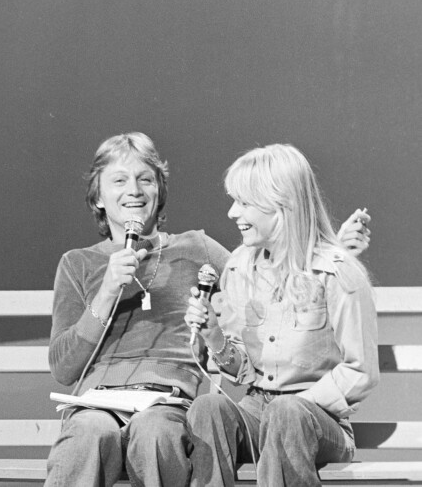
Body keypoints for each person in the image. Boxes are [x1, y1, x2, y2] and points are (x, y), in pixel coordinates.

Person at [45, 133, 372, 487]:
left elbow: (272, 270)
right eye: (119, 180)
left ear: (160, 191)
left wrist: (331, 252)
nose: (134, 190)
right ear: (98, 197)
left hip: (165, 402)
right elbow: (64, 368)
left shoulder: (197, 248)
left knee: (157, 435)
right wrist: (107, 291)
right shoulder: (77, 264)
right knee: (86, 435)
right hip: (97, 403)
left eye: (146, 179)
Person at [184, 144, 379, 487]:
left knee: (285, 413)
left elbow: (360, 371)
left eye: (244, 202)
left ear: (281, 204)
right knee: (208, 409)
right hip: (258, 408)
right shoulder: (239, 268)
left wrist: (299, 403)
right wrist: (213, 335)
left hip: (318, 419)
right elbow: (243, 370)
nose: (232, 213)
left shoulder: (337, 274)